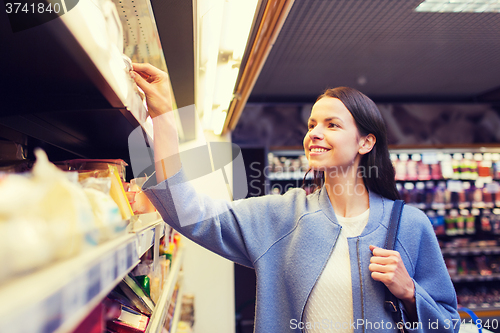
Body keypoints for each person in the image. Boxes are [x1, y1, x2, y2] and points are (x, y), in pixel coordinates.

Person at [130, 63, 460, 333]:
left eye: (332, 125)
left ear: (365, 143)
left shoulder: (411, 226)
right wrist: (164, 118)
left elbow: (449, 323)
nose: (314, 133)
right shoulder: (281, 217)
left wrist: (410, 293)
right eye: (312, 124)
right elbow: (188, 212)